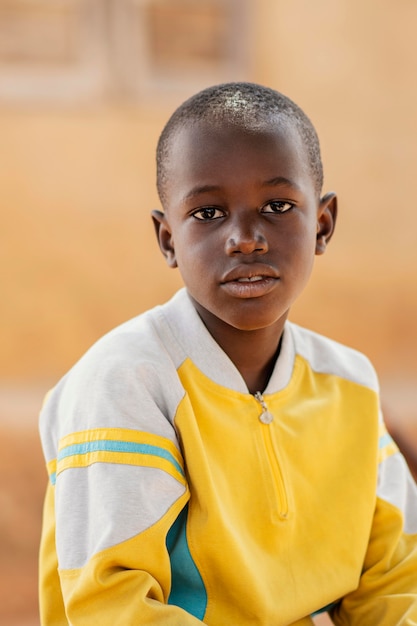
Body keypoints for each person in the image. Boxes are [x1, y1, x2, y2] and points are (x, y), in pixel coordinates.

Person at [38, 82, 417, 625]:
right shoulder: (127, 382)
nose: (244, 238)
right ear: (168, 239)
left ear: (323, 224)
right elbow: (111, 606)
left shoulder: (349, 383)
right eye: (209, 213)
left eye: (278, 206)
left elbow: (398, 583)